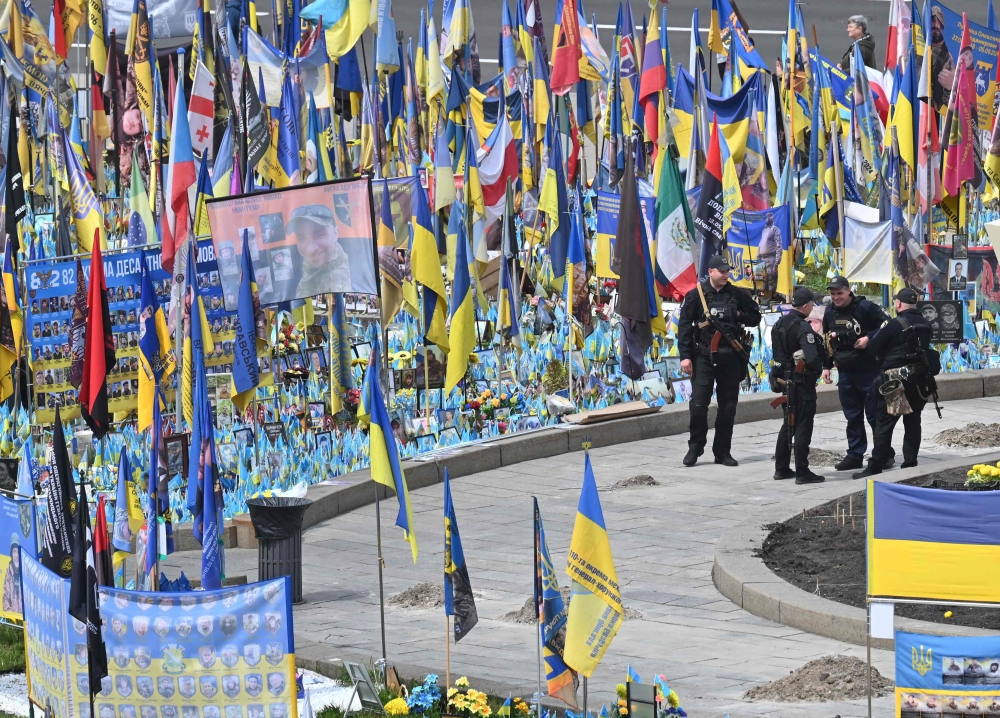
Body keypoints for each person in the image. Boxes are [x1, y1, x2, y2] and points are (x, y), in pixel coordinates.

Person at [677, 255, 762, 467]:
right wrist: (685, 357)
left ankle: (722, 451)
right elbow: (685, 328)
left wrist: (738, 314)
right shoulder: (696, 295)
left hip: (731, 357)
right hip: (704, 357)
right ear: (711, 271)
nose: (726, 275)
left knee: (728, 407)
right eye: (722, 271)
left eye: (727, 271)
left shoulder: (736, 294)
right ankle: (695, 447)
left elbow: (755, 317)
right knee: (698, 405)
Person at [853, 289, 936, 478]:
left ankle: (876, 465)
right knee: (913, 421)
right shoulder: (925, 323)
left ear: (898, 304)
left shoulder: (894, 324)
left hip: (895, 380)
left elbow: (873, 347)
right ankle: (910, 461)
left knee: (885, 422)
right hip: (919, 380)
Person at [822, 277, 893, 471]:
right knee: (852, 416)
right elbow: (827, 340)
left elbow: (888, 324)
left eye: (840, 293)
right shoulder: (830, 312)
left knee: (873, 417)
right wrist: (826, 366)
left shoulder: (866, 307)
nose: (836, 297)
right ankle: (855, 454)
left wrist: (869, 338)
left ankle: (884, 454)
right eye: (833, 293)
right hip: (845, 372)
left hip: (868, 370)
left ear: (848, 291)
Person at [770, 287, 826, 484]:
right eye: (812, 304)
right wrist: (818, 370)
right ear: (805, 305)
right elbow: (811, 357)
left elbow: (777, 355)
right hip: (801, 383)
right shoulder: (803, 327)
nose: (813, 307)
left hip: (784, 381)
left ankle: (782, 468)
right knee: (802, 426)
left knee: (788, 424)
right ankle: (802, 472)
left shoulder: (779, 324)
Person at [286, 205, 351, 298]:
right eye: (302, 238)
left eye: (319, 235)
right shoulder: (299, 274)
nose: (311, 249)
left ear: (336, 233)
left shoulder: (355, 278)